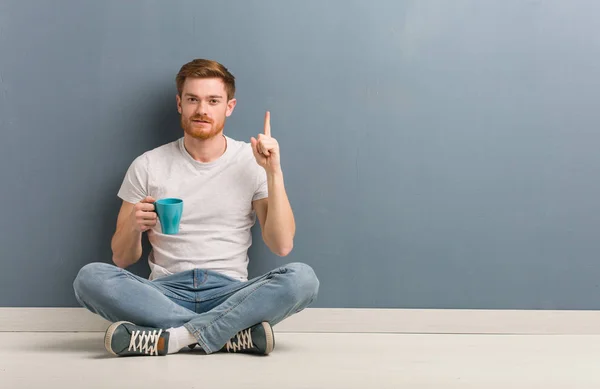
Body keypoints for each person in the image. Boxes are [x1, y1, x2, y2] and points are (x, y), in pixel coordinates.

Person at [72, 59, 319, 357]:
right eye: (193, 99)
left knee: (302, 279)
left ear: (229, 106)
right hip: (164, 292)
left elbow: (281, 245)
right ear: (180, 103)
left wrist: (273, 172)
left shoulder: (251, 162)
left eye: (213, 101)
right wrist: (135, 227)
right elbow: (121, 258)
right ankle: (228, 336)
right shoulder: (148, 165)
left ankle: (175, 338)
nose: (202, 109)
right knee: (90, 278)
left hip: (232, 292)